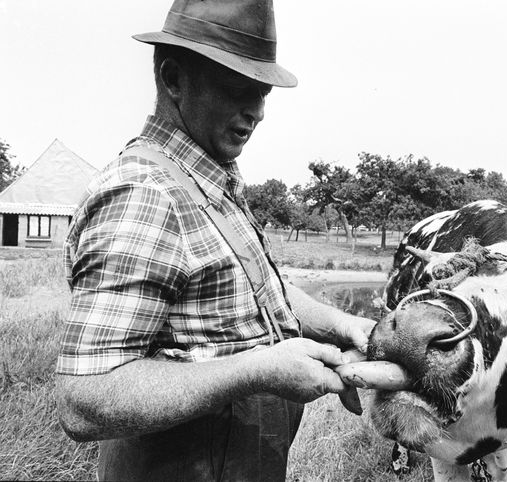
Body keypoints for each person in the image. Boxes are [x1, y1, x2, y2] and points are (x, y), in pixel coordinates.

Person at [54, 1, 376, 480]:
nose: (259, 111)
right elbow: (85, 400)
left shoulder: (210, 177)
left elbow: (260, 290)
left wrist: (338, 323)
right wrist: (259, 370)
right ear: (174, 79)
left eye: (263, 92)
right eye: (238, 88)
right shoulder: (145, 195)